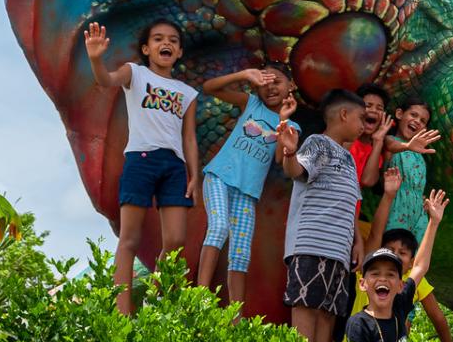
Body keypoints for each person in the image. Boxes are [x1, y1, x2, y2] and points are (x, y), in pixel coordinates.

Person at [84, 18, 200, 316]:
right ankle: (122, 313)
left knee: (175, 240)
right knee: (130, 238)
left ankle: (155, 300)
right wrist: (96, 59)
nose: (166, 44)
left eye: (173, 40)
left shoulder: (186, 93)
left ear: (179, 52)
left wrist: (194, 174)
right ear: (147, 48)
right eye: (159, 39)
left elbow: (189, 136)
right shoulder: (135, 73)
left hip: (174, 166)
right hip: (141, 159)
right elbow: (106, 80)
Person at [275, 89, 365, 342]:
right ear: (344, 114)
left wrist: (357, 241)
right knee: (306, 312)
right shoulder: (318, 143)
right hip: (311, 246)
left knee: (327, 317)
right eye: (361, 118)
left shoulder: (348, 159)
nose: (363, 126)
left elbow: (348, 204)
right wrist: (290, 153)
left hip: (338, 253)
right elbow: (296, 172)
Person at [196, 65, 298, 303]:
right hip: (220, 177)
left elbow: (280, 161)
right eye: (265, 82)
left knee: (241, 254)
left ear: (291, 85)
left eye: (278, 82)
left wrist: (283, 122)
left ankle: (236, 318)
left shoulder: (293, 128)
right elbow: (209, 88)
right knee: (219, 228)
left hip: (247, 193)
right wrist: (243, 75)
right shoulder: (251, 104)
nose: (271, 88)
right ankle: (197, 296)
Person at [347, 190, 451, 342]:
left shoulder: (400, 307)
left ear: (401, 285)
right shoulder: (358, 324)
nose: (383, 279)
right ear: (363, 283)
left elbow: (419, 267)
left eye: (390, 274)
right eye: (375, 273)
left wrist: (434, 222)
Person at [375, 223, 453, 342]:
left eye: (402, 252)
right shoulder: (372, 275)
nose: (396, 255)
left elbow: (437, 316)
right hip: (368, 335)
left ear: (411, 263)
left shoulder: (415, 280)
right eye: (390, 249)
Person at [379, 96, 441, 243]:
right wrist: (407, 146)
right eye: (413, 115)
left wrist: (423, 201)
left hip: (419, 214)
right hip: (396, 208)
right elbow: (390, 146)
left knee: (413, 256)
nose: (417, 121)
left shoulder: (420, 154)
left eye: (422, 121)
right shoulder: (391, 141)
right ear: (400, 114)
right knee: (392, 249)